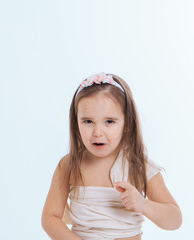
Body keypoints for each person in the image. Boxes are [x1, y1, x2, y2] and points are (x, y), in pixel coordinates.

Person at [41, 72, 182, 240]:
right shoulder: (69, 164)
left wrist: (143, 204)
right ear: (76, 123)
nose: (97, 132)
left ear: (127, 123)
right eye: (88, 121)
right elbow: (50, 218)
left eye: (109, 121)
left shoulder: (139, 165)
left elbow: (175, 220)